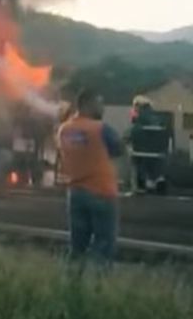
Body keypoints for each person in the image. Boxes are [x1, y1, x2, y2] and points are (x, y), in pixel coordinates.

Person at [56, 89, 124, 264]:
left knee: (77, 246)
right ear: (87, 105)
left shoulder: (64, 130)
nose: (102, 108)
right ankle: (98, 286)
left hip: (75, 193)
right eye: (99, 104)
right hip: (101, 191)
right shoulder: (100, 128)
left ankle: (72, 283)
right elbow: (119, 149)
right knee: (104, 244)